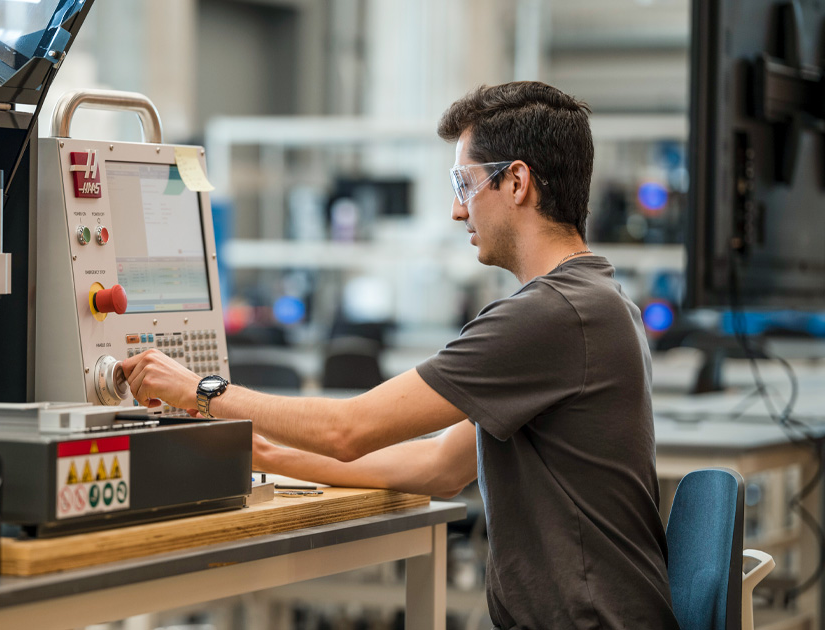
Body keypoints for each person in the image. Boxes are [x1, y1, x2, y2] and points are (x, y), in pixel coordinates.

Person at [121, 81, 679, 630]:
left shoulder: (551, 315)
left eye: (463, 184)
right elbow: (439, 468)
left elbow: (350, 429)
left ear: (516, 182)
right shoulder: (595, 299)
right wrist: (264, 453)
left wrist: (201, 391)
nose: (459, 212)